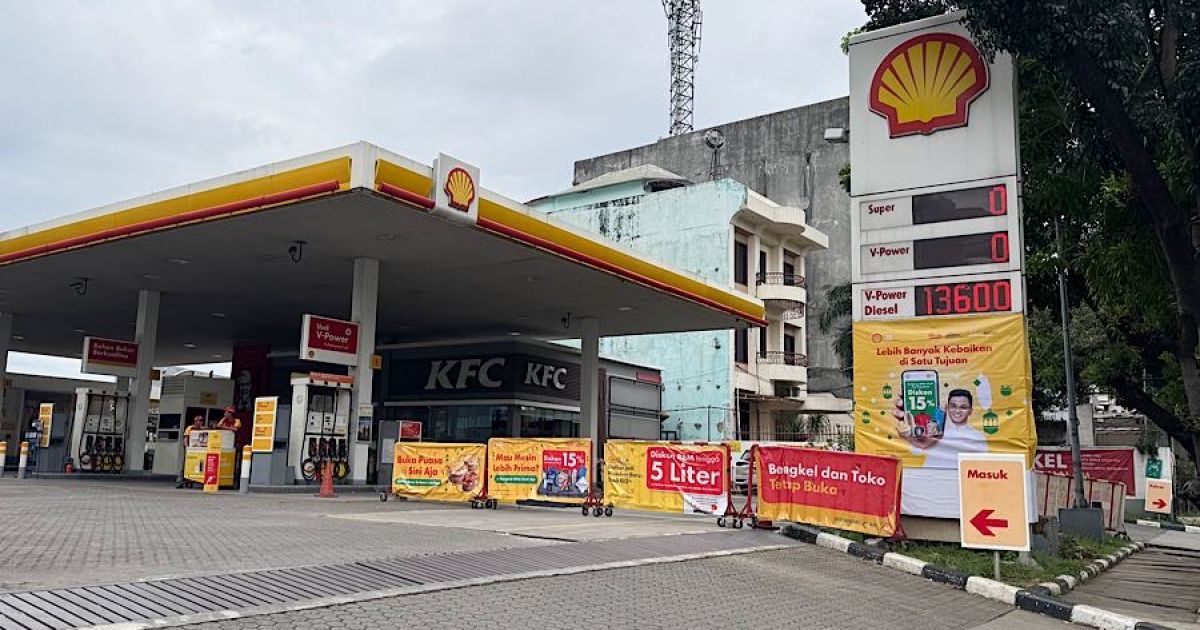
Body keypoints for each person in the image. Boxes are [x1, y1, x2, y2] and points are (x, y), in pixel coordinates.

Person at [894, 388, 987, 468]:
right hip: (932, 477)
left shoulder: (978, 436)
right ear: (947, 407)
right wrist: (911, 436)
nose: (957, 411)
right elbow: (916, 451)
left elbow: (982, 465)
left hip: (964, 478)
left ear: (970, 411)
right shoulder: (935, 430)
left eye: (963, 407)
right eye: (953, 406)